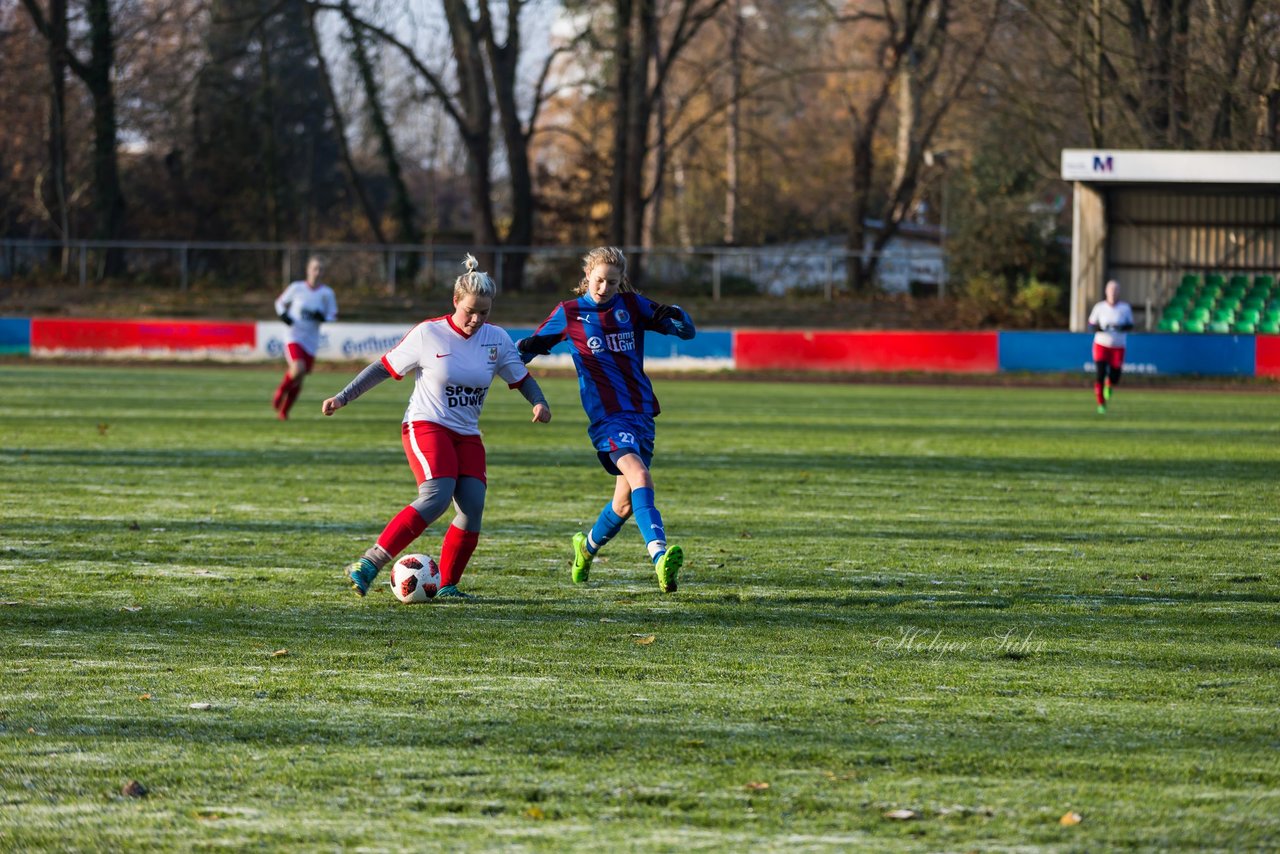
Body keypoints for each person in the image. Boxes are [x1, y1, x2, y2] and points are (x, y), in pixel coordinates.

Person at [322, 255, 551, 599]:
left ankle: (447, 586)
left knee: (472, 508)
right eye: (470, 310)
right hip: (426, 425)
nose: (476, 319)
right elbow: (383, 368)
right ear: (455, 301)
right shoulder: (429, 333)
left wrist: (539, 402)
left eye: (484, 312)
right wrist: (343, 397)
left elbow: (522, 378)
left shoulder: (497, 339)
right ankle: (369, 563)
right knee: (436, 496)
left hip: (467, 434)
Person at [516, 246, 695, 593]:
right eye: (598, 281)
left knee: (624, 504)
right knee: (640, 474)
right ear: (587, 277)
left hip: (642, 411)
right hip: (607, 417)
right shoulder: (569, 313)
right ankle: (659, 558)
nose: (603, 288)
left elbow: (685, 332)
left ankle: (585, 550)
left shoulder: (633, 306)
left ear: (621, 282)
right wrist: (503, 354)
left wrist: (679, 314)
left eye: (612, 283)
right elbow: (526, 349)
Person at [272, 256, 338, 420]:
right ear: (308, 270)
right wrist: (283, 316)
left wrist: (323, 317)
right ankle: (280, 391)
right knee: (297, 369)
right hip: (294, 335)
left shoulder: (327, 293)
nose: (317, 272)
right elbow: (279, 303)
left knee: (300, 377)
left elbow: (333, 315)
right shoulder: (297, 287)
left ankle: (285, 411)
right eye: (314, 268)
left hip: (311, 340)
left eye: (320, 269)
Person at [1087, 279, 1134, 414]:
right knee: (1100, 374)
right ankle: (1101, 404)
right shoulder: (1099, 307)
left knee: (1115, 376)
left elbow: (1130, 325)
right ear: (1106, 291)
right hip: (1101, 344)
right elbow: (1090, 325)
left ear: (1119, 292)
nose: (1113, 293)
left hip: (1118, 346)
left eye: (1115, 290)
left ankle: (1110, 383)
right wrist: (1100, 328)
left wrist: (1120, 327)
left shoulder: (1125, 308)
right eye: (1111, 290)